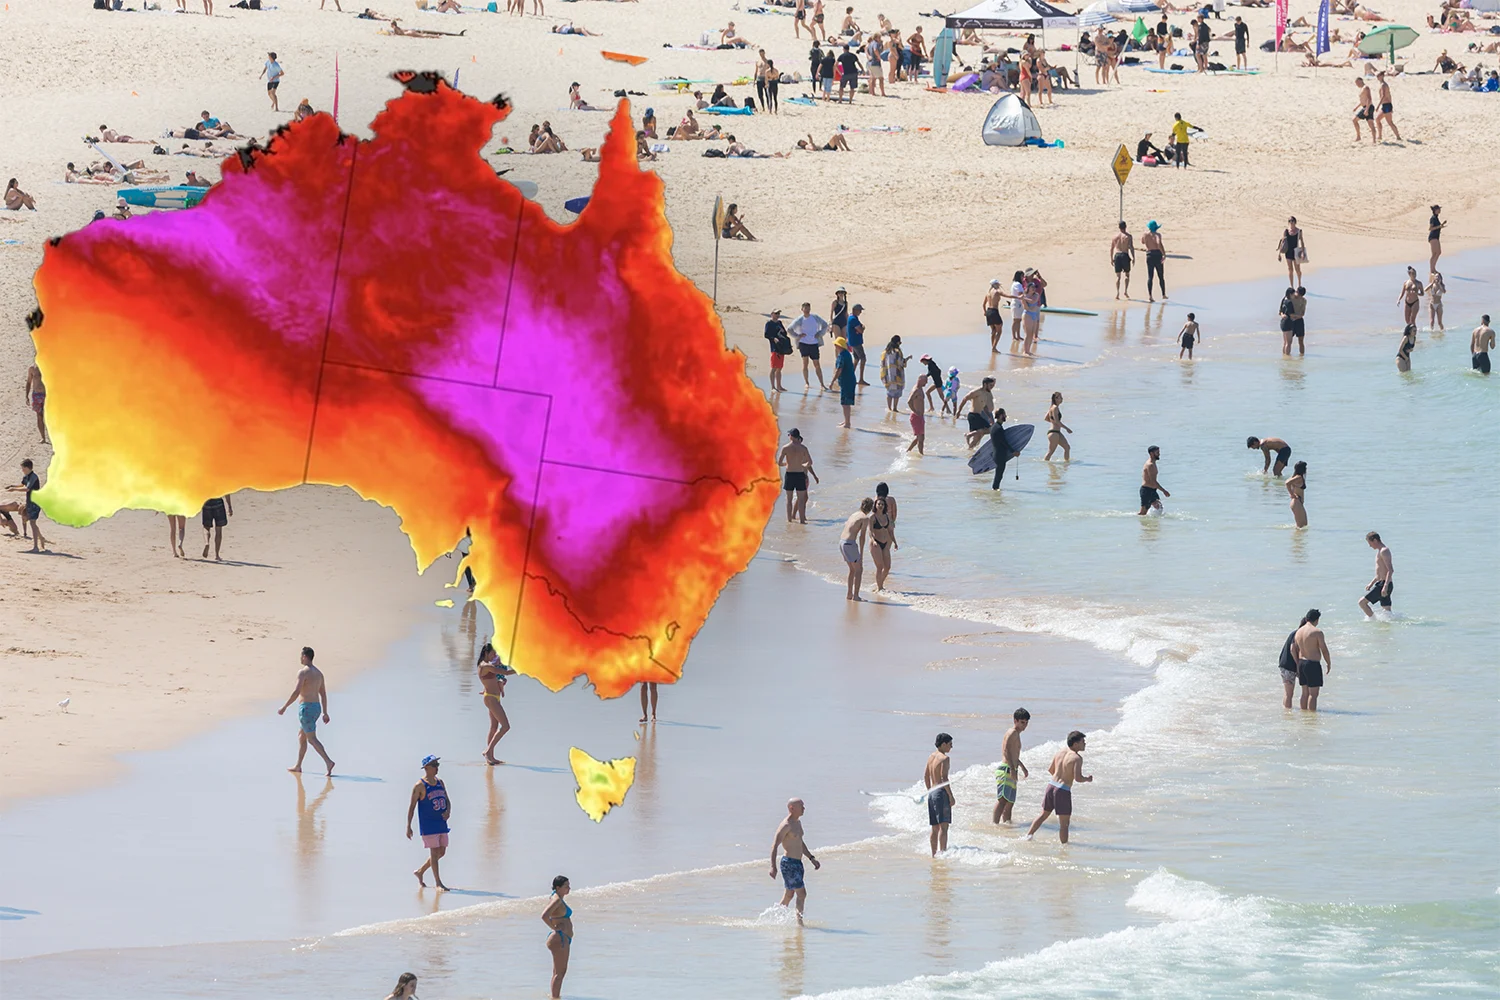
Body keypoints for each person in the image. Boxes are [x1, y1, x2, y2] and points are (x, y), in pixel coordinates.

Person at [276, 647, 335, 774]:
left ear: (304, 656)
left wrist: (285, 706)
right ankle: (298, 766)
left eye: (301, 656)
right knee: (302, 736)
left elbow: (297, 691)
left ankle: (328, 762)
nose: (300, 658)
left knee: (311, 739)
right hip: (316, 708)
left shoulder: (303, 672)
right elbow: (323, 694)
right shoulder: (319, 674)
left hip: (306, 709)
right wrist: (325, 712)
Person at [1025, 731, 1091, 843]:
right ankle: (1064, 849)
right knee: (1064, 824)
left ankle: (1028, 836)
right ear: (1075, 744)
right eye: (1082, 742)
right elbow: (1078, 778)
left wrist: (1061, 776)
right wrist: (1087, 779)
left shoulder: (1060, 752)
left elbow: (1051, 770)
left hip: (1051, 786)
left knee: (1043, 815)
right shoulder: (1077, 758)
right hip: (1063, 790)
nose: (1085, 744)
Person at [770, 798, 821, 923]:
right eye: (801, 806)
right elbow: (774, 845)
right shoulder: (786, 825)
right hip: (789, 864)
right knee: (802, 893)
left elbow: (800, 843)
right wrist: (773, 867)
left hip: (798, 863)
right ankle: (800, 924)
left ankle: (775, 918)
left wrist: (811, 858)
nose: (804, 808)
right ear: (792, 808)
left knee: (789, 895)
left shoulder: (797, 823)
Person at [406, 755, 451, 890]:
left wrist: (448, 811)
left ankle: (420, 871)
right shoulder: (420, 786)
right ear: (427, 768)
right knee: (434, 852)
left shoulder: (440, 782)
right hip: (428, 824)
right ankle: (438, 883)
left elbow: (447, 800)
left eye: (438, 764)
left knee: (441, 852)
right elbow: (412, 806)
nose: (437, 767)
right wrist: (408, 826)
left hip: (441, 822)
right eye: (435, 765)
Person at [477, 641, 517, 763]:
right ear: (486, 653)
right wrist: (521, 670)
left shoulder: (486, 665)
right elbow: (505, 672)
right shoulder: (485, 666)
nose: (494, 657)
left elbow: (498, 678)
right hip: (491, 698)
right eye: (493, 654)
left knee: (494, 727)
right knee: (505, 726)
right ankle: (488, 751)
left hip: (493, 697)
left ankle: (490, 757)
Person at [992, 708, 1031, 824]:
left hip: (1011, 768)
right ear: (1015, 721)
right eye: (1022, 722)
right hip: (1006, 769)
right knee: (1002, 800)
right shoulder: (1012, 732)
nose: (1025, 725)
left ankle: (1007, 825)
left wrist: (1022, 767)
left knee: (1010, 801)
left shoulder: (1016, 734)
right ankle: (995, 824)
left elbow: (1013, 754)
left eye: (1026, 723)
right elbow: (1006, 751)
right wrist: (1013, 769)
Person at [2, 459, 47, 551]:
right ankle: (41, 538)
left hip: (35, 503)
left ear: (27, 468)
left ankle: (35, 547)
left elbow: (27, 489)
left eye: (23, 468)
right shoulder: (26, 476)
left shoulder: (33, 477)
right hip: (29, 502)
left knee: (32, 523)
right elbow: (22, 485)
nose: (22, 470)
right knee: (32, 523)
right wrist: (12, 487)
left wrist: (14, 490)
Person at [1291, 609, 1331, 710]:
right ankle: (1311, 720)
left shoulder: (1298, 632)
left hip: (1301, 663)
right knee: (1313, 695)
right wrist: (1328, 663)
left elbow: (1294, 649)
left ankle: (1304, 716)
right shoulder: (1317, 632)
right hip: (1312, 664)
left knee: (1304, 693)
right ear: (1317, 620)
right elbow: (1324, 650)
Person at [541, 875, 573, 998]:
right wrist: (554, 928)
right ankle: (555, 997)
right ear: (558, 887)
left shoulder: (557, 897)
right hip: (560, 938)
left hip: (561, 938)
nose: (569, 888)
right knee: (560, 973)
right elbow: (544, 915)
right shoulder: (557, 900)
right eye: (566, 886)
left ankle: (554, 996)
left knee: (557, 972)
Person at [778, 428, 818, 523]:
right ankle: (802, 521)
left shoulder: (785, 448)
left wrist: (786, 464)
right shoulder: (803, 448)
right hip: (800, 475)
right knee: (801, 500)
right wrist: (803, 465)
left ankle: (789, 520)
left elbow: (779, 463)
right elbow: (810, 462)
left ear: (791, 436)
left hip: (790, 474)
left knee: (789, 500)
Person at [924, 733, 955, 856]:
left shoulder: (931, 756)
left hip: (932, 792)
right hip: (941, 793)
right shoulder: (944, 758)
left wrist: (929, 790)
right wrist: (951, 796)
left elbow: (926, 776)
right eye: (950, 745)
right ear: (943, 744)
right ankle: (942, 854)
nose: (951, 747)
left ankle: (933, 855)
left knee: (934, 828)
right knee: (944, 827)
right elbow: (944, 778)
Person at [839, 498, 874, 600]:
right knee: (859, 569)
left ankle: (849, 594)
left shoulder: (854, 514)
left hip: (842, 542)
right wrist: (861, 555)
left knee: (852, 570)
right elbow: (862, 537)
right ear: (871, 508)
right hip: (849, 544)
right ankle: (856, 596)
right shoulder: (865, 518)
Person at [790, 302, 828, 389]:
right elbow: (790, 329)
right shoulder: (799, 319)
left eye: (808, 308)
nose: (807, 310)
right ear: (802, 309)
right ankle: (807, 383)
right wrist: (797, 336)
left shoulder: (815, 317)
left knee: (817, 364)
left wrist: (820, 333)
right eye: (805, 308)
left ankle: (822, 384)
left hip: (814, 343)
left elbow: (825, 325)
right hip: (804, 344)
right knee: (805, 364)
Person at [1359, 531, 1394, 617]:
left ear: (1374, 540)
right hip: (1382, 583)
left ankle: (1373, 621)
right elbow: (1381, 571)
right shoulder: (1380, 551)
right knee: (1387, 612)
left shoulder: (1384, 551)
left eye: (1370, 543)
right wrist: (1371, 583)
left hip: (1384, 584)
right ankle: (1386, 627)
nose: (1370, 546)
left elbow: (1390, 570)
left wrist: (1385, 587)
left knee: (1362, 603)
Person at [958, 376, 996, 448]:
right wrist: (958, 411)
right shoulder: (977, 392)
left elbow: (984, 407)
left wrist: (989, 417)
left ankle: (970, 451)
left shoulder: (986, 393)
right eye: (990, 385)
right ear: (985, 384)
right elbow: (965, 399)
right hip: (973, 415)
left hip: (978, 415)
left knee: (977, 438)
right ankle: (969, 435)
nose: (992, 387)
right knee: (990, 430)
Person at [869, 495, 897, 588]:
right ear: (875, 505)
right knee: (879, 567)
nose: (880, 505)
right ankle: (880, 588)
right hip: (875, 543)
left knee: (887, 567)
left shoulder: (887, 517)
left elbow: (890, 531)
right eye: (879, 504)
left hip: (885, 544)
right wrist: (873, 540)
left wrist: (895, 542)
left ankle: (879, 584)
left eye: (882, 504)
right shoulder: (872, 517)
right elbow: (870, 531)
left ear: (885, 506)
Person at [764, 309, 792, 392]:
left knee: (779, 368)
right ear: (772, 314)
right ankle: (773, 387)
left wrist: (783, 332)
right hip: (774, 348)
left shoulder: (779, 323)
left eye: (778, 314)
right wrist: (773, 338)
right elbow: (766, 335)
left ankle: (779, 386)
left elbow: (785, 333)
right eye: (776, 313)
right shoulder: (769, 323)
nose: (777, 315)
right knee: (774, 368)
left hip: (781, 348)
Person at [988, 408, 1016, 490]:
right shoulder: (998, 429)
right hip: (1000, 455)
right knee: (998, 476)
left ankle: (995, 491)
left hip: (996, 454)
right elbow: (1004, 442)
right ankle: (995, 493)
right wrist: (1013, 452)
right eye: (1004, 415)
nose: (1005, 416)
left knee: (998, 476)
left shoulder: (994, 427)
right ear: (1000, 415)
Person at [833, 337, 857, 428]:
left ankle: (847, 423)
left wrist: (833, 381)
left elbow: (839, 369)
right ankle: (846, 421)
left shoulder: (842, 355)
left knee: (845, 403)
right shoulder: (847, 354)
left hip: (846, 381)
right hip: (850, 380)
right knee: (846, 403)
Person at [199, 495, 232, 560]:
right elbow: (227, 492)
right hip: (218, 503)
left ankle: (207, 542)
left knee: (206, 527)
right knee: (218, 529)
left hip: (207, 502)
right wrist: (229, 506)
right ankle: (217, 555)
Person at [879, 336, 908, 412]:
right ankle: (895, 408)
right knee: (897, 393)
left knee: (889, 393)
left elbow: (882, 364)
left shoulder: (885, 352)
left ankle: (889, 408)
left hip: (888, 376)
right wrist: (907, 359)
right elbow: (901, 363)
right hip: (897, 376)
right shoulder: (897, 352)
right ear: (898, 343)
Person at [1138, 445, 1169, 515]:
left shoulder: (1153, 463)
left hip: (1151, 490)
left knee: (1159, 507)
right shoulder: (1150, 465)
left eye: (1159, 452)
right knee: (1143, 513)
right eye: (1157, 452)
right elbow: (1153, 482)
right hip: (1147, 491)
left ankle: (1153, 524)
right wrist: (1164, 491)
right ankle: (1137, 522)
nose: (1159, 454)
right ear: (1152, 453)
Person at [1042, 392, 1072, 460]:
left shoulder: (1052, 407)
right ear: (1055, 398)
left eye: (1062, 397)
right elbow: (1056, 421)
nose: (1062, 399)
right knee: (1051, 452)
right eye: (1060, 397)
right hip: (1054, 433)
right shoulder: (1055, 408)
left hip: (1056, 432)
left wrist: (1054, 422)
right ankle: (1046, 466)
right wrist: (1067, 428)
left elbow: (1046, 418)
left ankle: (1066, 466)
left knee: (1067, 447)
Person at [1278, 217, 1307, 286]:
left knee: (1298, 270)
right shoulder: (1286, 231)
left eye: (1292, 221)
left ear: (1295, 222)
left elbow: (1302, 242)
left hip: (1296, 252)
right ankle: (1291, 286)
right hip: (1288, 252)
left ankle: (1299, 284)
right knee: (1290, 269)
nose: (1291, 222)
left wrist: (1302, 252)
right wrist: (1279, 254)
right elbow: (1282, 242)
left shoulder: (1299, 231)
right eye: (1290, 221)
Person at [1142, 221, 1167, 301]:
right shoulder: (1157, 235)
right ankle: (1163, 294)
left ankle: (1150, 296)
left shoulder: (1145, 235)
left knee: (1150, 276)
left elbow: (1142, 242)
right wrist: (1164, 254)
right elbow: (1159, 244)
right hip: (1157, 254)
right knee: (1160, 276)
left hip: (1149, 254)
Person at [1110, 221, 1135, 299]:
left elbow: (1112, 248)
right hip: (1124, 255)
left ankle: (1117, 293)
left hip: (1117, 255)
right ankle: (1125, 291)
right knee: (1127, 275)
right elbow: (1131, 247)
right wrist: (1134, 257)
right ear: (1126, 227)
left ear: (1119, 227)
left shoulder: (1115, 236)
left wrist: (1111, 258)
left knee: (1118, 277)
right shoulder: (1128, 236)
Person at [1373, 71, 1401, 141]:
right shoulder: (1382, 84)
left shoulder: (1383, 85)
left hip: (1387, 105)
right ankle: (1379, 136)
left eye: (1378, 76)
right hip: (1385, 105)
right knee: (1377, 119)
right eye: (1377, 76)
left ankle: (1398, 136)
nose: (1377, 77)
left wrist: (1378, 106)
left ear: (1382, 76)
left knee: (1390, 122)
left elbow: (1383, 96)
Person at [24, 363, 47, 444]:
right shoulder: (32, 369)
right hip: (36, 394)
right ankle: (43, 437)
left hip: (47, 394)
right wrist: (26, 395)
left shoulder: (48, 366)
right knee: (39, 415)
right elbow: (29, 382)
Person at [846, 303, 869, 385]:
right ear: (855, 310)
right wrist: (862, 328)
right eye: (859, 310)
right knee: (863, 358)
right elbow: (860, 330)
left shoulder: (852, 317)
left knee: (856, 359)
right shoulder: (853, 319)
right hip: (856, 342)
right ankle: (861, 379)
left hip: (853, 341)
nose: (860, 312)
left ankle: (849, 377)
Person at [983, 278, 1007, 352]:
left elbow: (983, 304)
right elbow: (1007, 296)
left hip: (988, 311)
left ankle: (993, 346)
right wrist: (1017, 297)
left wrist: (985, 312)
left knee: (993, 330)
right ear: (995, 285)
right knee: (999, 330)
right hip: (994, 311)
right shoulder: (997, 291)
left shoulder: (988, 293)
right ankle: (994, 347)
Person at [906, 376, 927, 455]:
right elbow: (909, 401)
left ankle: (908, 451)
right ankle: (921, 454)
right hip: (916, 417)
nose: (926, 383)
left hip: (920, 417)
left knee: (921, 437)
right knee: (920, 439)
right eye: (925, 381)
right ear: (920, 380)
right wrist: (915, 411)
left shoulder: (920, 389)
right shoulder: (916, 390)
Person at [1352, 77, 1375, 145]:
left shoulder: (1366, 88)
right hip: (1366, 107)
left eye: (1357, 83)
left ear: (1361, 81)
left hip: (1368, 107)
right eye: (1356, 83)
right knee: (1370, 123)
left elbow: (1369, 99)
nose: (1357, 84)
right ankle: (1372, 140)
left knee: (1355, 120)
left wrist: (1367, 109)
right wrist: (1356, 107)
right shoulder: (1362, 89)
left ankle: (1360, 137)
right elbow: (1362, 100)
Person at [1286, 460, 1308, 527]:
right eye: (1305, 467)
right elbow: (1287, 483)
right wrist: (1291, 494)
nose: (1306, 469)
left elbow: (1288, 482)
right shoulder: (1299, 477)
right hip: (1296, 502)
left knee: (1303, 525)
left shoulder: (1295, 477)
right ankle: (1296, 537)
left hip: (1297, 502)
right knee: (1301, 526)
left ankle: (1298, 537)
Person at [1290, 286, 1308, 354]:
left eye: (1297, 293)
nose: (1296, 294)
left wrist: (1296, 317)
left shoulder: (1304, 300)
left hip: (1299, 321)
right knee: (1288, 341)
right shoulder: (1291, 299)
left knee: (1301, 341)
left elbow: (1302, 313)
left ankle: (1302, 357)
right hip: (1290, 320)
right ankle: (1286, 355)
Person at [1428, 205, 1444, 272]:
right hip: (1433, 237)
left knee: (1438, 252)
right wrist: (1439, 226)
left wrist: (1441, 225)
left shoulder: (1436, 218)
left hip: (1436, 237)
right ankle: (1432, 269)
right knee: (1435, 253)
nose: (1440, 210)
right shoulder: (1433, 218)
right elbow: (1430, 228)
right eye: (1438, 209)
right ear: (1435, 210)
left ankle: (1433, 268)